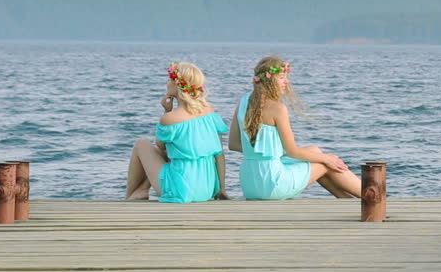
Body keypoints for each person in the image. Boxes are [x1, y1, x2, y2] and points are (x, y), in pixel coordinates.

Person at [229, 56, 361, 199]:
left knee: (314, 151)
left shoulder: (243, 102)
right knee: (325, 163)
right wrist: (327, 158)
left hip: (250, 185)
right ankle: (371, 195)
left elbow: (233, 144)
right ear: (269, 80)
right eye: (281, 77)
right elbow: (293, 152)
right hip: (272, 185)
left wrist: (267, 152)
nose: (287, 81)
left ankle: (347, 200)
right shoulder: (278, 109)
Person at [126, 61, 230, 202]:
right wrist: (221, 189)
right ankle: (142, 190)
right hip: (206, 189)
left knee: (141, 144)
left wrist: (167, 111)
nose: (167, 82)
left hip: (181, 189)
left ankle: (133, 195)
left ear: (178, 85)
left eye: (170, 79)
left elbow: (161, 147)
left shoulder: (170, 118)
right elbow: (219, 155)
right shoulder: (210, 112)